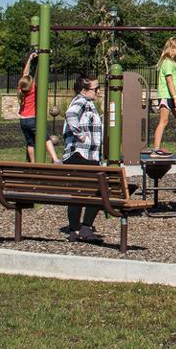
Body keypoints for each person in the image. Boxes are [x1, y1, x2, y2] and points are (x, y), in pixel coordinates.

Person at [59, 75, 106, 242]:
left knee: (77, 193)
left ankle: (74, 230)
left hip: (77, 155)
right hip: (83, 155)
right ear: (84, 90)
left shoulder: (84, 102)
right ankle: (85, 228)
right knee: (99, 190)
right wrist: (81, 136)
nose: (98, 91)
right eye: (95, 89)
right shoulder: (82, 102)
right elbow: (70, 114)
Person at [149, 37, 176, 155]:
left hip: (172, 96)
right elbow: (169, 82)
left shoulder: (172, 63)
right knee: (164, 121)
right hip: (167, 96)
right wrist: (175, 98)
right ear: (173, 49)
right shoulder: (168, 63)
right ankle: (156, 148)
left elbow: (174, 82)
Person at [17, 49, 43, 160]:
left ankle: (32, 162)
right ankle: (52, 158)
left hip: (23, 119)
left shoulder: (21, 89)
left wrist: (30, 59)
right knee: (44, 139)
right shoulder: (33, 89)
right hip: (32, 118)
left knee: (30, 142)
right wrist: (40, 62)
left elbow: (25, 74)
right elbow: (35, 75)